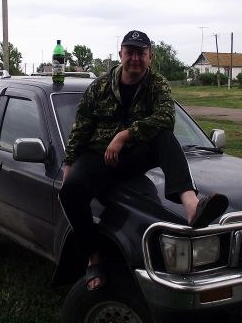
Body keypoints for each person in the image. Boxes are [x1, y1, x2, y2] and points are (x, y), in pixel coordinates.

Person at [58, 30, 229, 291]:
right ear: (121, 55)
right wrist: (69, 166)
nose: (135, 58)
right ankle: (93, 257)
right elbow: (81, 127)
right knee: (69, 192)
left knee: (164, 135)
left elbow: (165, 119)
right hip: (99, 156)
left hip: (135, 156)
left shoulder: (157, 84)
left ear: (150, 56)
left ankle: (192, 206)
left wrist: (125, 135)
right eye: (130, 52)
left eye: (141, 53)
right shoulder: (100, 87)